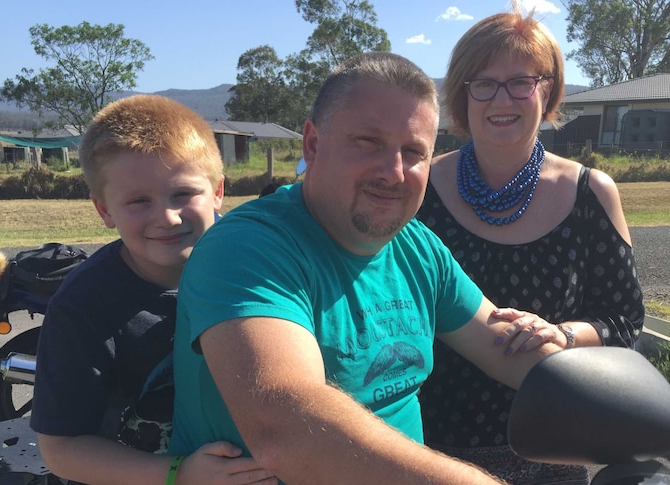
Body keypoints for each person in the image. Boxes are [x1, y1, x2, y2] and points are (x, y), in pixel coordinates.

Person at [169, 51, 566, 485]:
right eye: (368, 142)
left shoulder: (417, 248)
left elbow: (505, 348)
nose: (393, 172)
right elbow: (287, 429)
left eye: (414, 152)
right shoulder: (249, 249)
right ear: (313, 145)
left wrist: (611, 404)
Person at [416, 6, 645, 484]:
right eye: (483, 82)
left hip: (552, 451)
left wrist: (561, 334)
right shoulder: (420, 186)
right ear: (463, 95)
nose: (502, 98)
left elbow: (623, 320)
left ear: (547, 88)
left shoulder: (591, 193)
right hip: (426, 450)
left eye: (521, 81)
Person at [31, 95, 274, 485]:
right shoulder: (83, 306)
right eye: (139, 201)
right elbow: (60, 448)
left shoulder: (260, 270)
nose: (166, 216)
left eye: (183, 194)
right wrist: (179, 475)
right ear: (104, 210)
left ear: (217, 192)